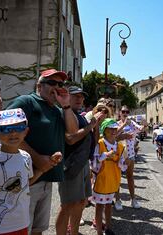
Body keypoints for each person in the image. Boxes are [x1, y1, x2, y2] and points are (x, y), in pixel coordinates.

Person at [6, 68, 78, 235]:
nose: (58, 87)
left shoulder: (56, 109)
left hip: (46, 178)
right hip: (26, 179)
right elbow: (7, 133)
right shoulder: (26, 102)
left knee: (39, 228)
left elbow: (73, 131)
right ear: (39, 86)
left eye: (61, 84)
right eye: (52, 82)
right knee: (22, 228)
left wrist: (66, 104)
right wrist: (38, 159)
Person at [0, 109, 45, 235]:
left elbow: (25, 183)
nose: (13, 133)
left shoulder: (26, 157)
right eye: (5, 129)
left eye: (19, 127)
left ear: (26, 131)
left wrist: (42, 170)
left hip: (22, 223)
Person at [56, 86, 107, 235]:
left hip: (83, 164)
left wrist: (94, 126)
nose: (80, 99)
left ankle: (74, 232)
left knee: (80, 202)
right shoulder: (65, 114)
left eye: (81, 96)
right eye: (75, 96)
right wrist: (91, 125)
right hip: (71, 167)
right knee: (67, 205)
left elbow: (93, 140)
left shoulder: (79, 115)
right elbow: (70, 139)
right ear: (67, 98)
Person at [92, 118, 128, 235]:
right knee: (99, 206)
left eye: (114, 128)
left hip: (113, 180)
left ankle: (108, 227)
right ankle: (99, 231)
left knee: (108, 205)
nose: (113, 131)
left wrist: (123, 163)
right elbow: (94, 162)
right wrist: (104, 156)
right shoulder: (100, 143)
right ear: (105, 130)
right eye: (110, 128)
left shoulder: (120, 146)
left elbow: (122, 166)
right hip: (102, 180)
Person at [114, 105, 144, 210]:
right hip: (119, 154)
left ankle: (133, 199)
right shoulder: (116, 124)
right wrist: (123, 129)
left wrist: (142, 123)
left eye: (127, 111)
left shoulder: (132, 124)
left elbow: (141, 129)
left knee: (130, 177)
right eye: (123, 112)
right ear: (120, 113)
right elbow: (113, 136)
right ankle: (117, 200)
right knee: (117, 178)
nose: (125, 113)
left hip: (130, 154)